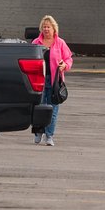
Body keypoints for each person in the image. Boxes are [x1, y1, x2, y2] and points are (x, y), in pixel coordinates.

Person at [33, 14, 73, 147]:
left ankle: (49, 136)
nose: (46, 29)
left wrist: (64, 66)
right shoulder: (36, 43)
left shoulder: (60, 43)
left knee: (53, 109)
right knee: (38, 108)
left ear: (54, 29)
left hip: (55, 81)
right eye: (44, 27)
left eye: (48, 27)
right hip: (39, 80)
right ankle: (38, 132)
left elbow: (68, 59)